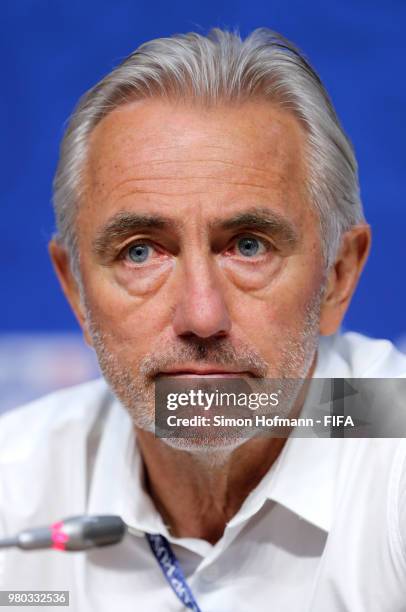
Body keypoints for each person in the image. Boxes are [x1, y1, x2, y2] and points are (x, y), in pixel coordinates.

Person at [1, 28, 405, 612]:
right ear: (75, 293)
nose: (201, 315)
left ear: (337, 277)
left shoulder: (383, 439)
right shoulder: (19, 486)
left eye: (248, 245)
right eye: (140, 251)